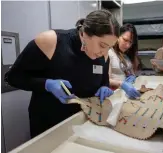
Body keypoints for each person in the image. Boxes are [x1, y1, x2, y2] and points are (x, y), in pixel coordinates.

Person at [4, 10, 120, 138]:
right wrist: (46, 84)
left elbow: (103, 81)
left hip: (85, 121)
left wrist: (104, 87)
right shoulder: (51, 41)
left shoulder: (103, 54)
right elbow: (13, 77)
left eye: (109, 47)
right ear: (86, 33)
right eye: (102, 45)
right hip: (49, 123)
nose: (104, 52)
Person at [108, 24, 140, 99]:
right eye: (125, 40)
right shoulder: (109, 53)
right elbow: (106, 80)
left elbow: (131, 72)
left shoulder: (125, 55)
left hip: (125, 94)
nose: (127, 45)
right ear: (117, 36)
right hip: (114, 95)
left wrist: (132, 76)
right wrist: (122, 83)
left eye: (130, 42)